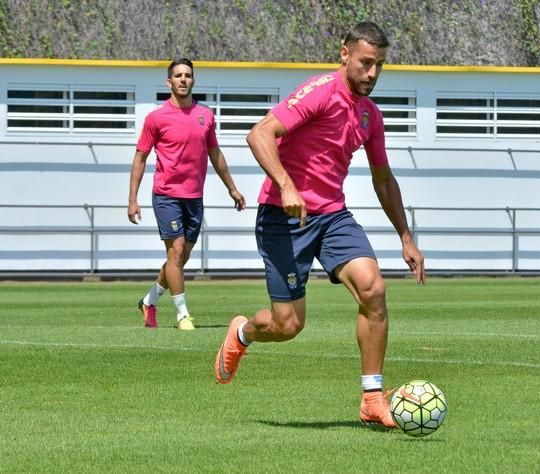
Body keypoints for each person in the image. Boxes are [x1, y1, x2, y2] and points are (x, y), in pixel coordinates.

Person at [214, 22, 425, 428]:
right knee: (287, 325)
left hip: (332, 217)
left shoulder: (369, 115)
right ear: (344, 54)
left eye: (380, 65)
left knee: (373, 288)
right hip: (283, 217)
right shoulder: (320, 92)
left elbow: (383, 178)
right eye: (366, 63)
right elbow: (259, 134)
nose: (373, 74)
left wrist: (406, 236)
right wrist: (287, 186)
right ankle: (242, 333)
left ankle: (372, 398)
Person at [128, 58, 246, 330]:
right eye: (178, 76)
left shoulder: (205, 115)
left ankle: (149, 301)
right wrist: (133, 199)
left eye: (188, 75)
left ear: (193, 80)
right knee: (176, 252)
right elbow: (140, 158)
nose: (183, 79)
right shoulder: (156, 118)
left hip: (195, 197)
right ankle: (183, 314)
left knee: (180, 259)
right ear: (169, 82)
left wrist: (232, 188)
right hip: (167, 195)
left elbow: (215, 153)